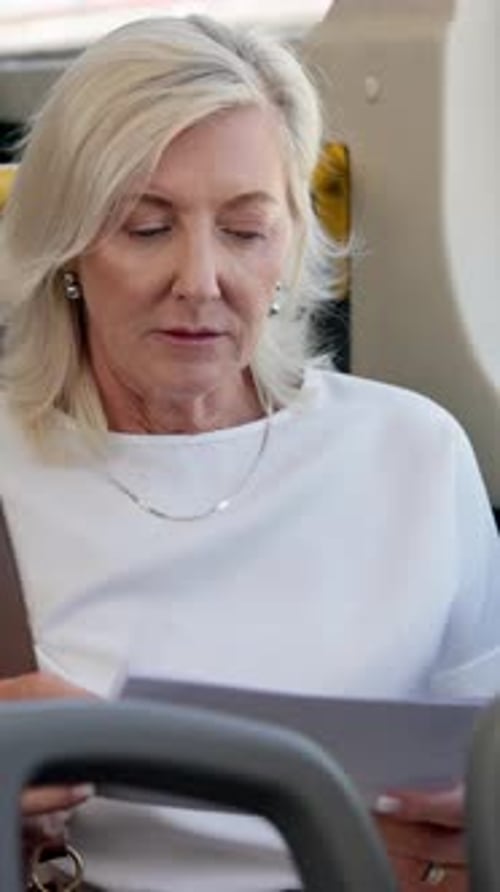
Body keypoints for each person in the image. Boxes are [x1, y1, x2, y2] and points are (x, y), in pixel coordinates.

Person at [0, 14, 499, 892]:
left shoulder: (412, 452)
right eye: (146, 228)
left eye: (244, 230)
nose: (200, 281)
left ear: (292, 244)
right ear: (67, 247)